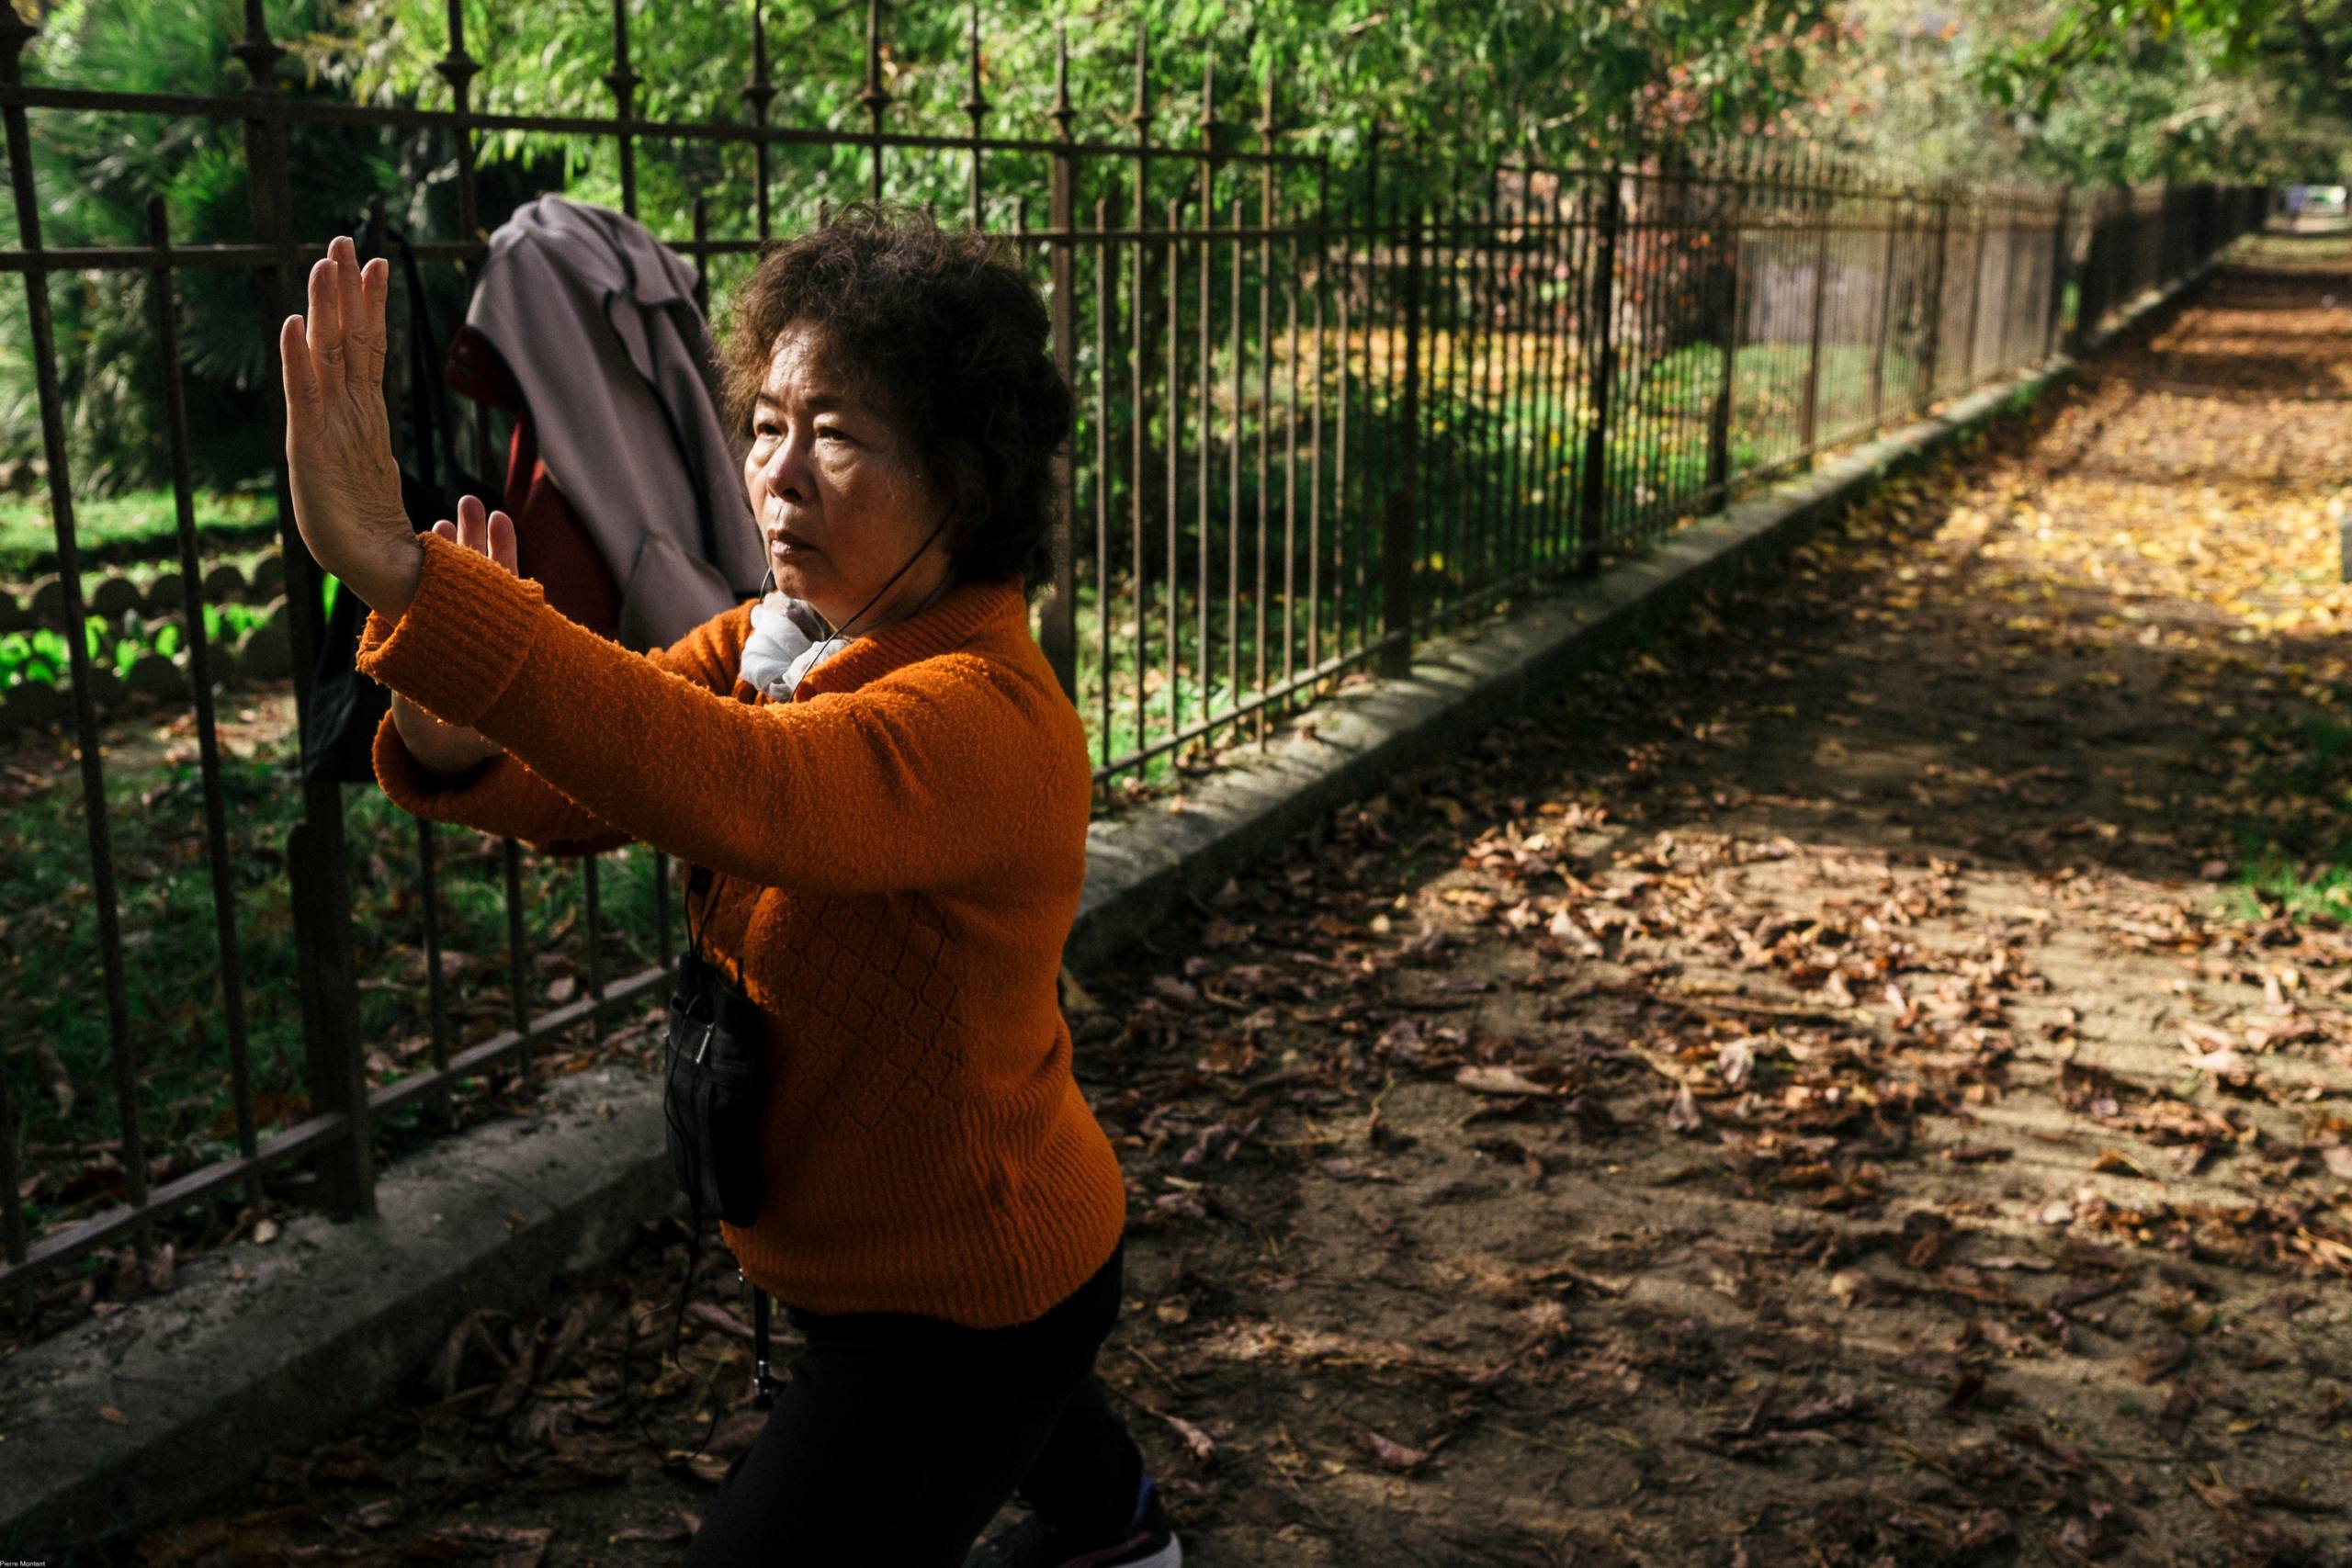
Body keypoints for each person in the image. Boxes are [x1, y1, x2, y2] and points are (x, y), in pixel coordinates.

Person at [277, 204, 1181, 1568]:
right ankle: (1113, 1525)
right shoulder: (784, 638)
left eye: (841, 433)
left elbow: (744, 791)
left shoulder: (986, 713)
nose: (780, 475)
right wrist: (453, 730)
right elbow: (602, 782)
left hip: (958, 1309)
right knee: (1047, 1433)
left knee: (982, 1406)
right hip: (914, 1255)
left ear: (964, 476)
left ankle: (1103, 1519)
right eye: (765, 422)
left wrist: (414, 586)